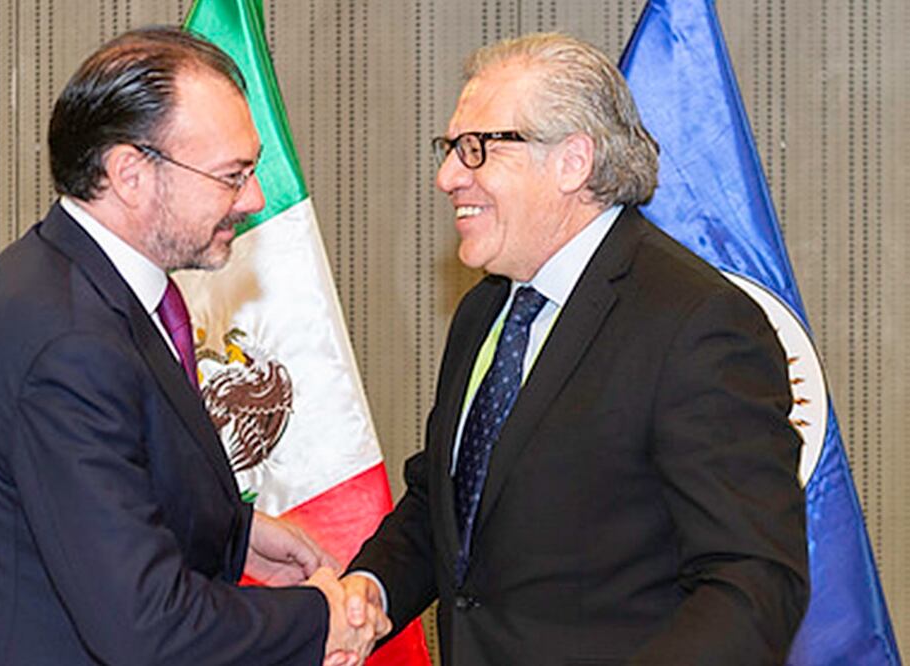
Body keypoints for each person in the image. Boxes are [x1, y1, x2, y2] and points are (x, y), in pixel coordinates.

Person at [0, 27, 385, 665]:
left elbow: (103, 496)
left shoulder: (71, 284)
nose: (253, 200)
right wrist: (319, 619)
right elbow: (146, 625)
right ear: (130, 175)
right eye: (232, 176)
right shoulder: (69, 345)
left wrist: (236, 537)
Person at [342, 32, 808, 665]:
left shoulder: (698, 323)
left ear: (572, 161)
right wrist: (371, 589)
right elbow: (447, 505)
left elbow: (752, 584)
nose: (447, 177)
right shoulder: (484, 310)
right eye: (449, 150)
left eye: (477, 149)